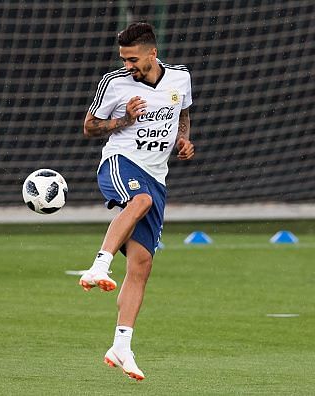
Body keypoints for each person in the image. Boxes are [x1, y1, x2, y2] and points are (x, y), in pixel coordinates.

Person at [79, 22, 194, 381]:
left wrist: (183, 140)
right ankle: (99, 264)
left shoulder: (180, 78)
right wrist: (124, 119)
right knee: (139, 199)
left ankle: (121, 345)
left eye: (132, 59)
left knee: (142, 264)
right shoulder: (114, 83)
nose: (127, 64)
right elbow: (89, 127)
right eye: (123, 59)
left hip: (158, 175)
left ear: (152, 53)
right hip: (120, 162)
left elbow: (183, 114)